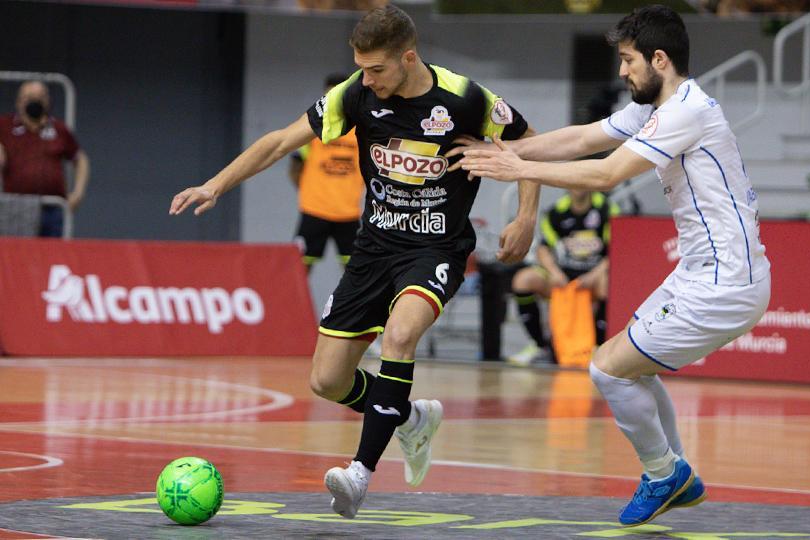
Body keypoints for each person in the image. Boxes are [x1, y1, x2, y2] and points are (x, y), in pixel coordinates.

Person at [169, 5, 538, 520]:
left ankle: (360, 474)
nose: (366, 78)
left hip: (434, 249)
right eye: (361, 68)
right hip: (373, 250)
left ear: (408, 57)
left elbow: (527, 140)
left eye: (376, 69)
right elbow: (280, 141)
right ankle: (409, 419)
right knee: (326, 381)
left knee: (400, 336)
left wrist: (524, 217)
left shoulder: (464, 97)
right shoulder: (355, 94)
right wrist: (215, 184)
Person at [455, 5, 771, 526]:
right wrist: (503, 149)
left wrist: (518, 167)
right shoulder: (656, 107)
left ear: (660, 59)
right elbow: (582, 139)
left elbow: (604, 175)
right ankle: (673, 472)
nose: (622, 72)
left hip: (723, 283)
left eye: (628, 60)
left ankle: (664, 473)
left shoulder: (684, 112)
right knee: (630, 366)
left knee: (607, 368)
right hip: (702, 273)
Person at [509, 189, 619, 366]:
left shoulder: (607, 208)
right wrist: (555, 272)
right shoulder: (556, 212)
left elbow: (618, 248)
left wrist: (593, 275)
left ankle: (598, 347)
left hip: (594, 276)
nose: (578, 184)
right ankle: (539, 345)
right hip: (563, 278)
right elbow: (543, 249)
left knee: (606, 283)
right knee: (523, 280)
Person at [288, 74, 365, 269]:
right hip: (314, 210)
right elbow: (296, 164)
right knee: (299, 268)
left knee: (356, 271)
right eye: (329, 95)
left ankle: (350, 302)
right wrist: (310, 192)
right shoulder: (314, 125)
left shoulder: (362, 128)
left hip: (348, 212)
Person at [0, 81, 90, 237]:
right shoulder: (4, 126)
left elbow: (80, 160)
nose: (34, 101)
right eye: (29, 97)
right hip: (16, 206)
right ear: (18, 101)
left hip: (52, 208)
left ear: (47, 101)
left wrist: (78, 193)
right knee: (17, 254)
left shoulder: (59, 129)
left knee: (52, 254)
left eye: (39, 97)